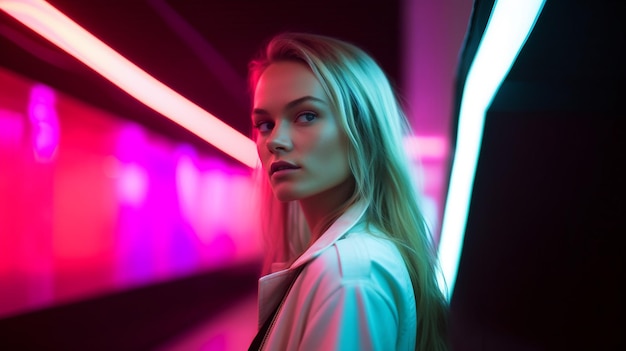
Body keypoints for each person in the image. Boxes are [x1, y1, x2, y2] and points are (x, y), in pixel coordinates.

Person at [247, 32, 448, 351]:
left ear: (364, 130)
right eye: (265, 124)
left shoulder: (348, 276)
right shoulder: (349, 266)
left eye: (306, 116)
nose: (274, 141)